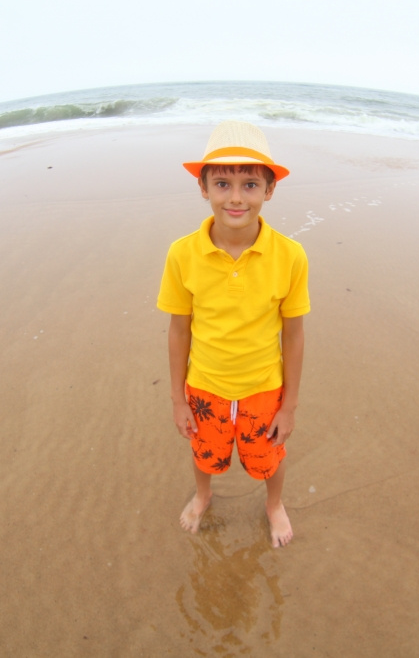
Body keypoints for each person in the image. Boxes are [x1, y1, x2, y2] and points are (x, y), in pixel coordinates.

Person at [157, 120, 310, 548]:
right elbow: (178, 329)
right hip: (204, 386)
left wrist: (290, 406)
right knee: (204, 453)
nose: (237, 198)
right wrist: (177, 398)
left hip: (265, 388)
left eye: (250, 184)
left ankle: (274, 504)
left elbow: (294, 335)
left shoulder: (291, 256)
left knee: (268, 458)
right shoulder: (182, 253)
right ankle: (203, 495)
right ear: (203, 187)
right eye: (222, 183)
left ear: (270, 190)